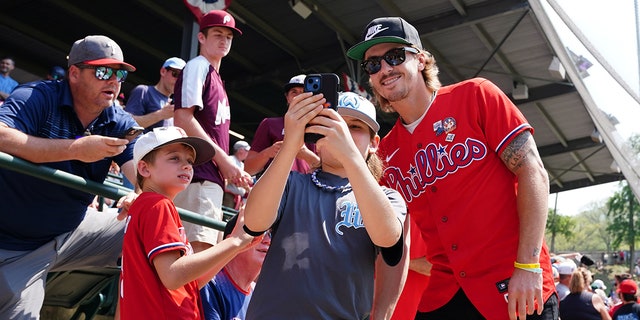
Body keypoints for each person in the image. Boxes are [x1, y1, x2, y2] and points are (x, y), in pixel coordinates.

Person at [346, 17, 556, 320]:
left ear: (420, 60)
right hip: (446, 294)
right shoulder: (387, 153)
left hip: (514, 283)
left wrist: (527, 266)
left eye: (393, 57)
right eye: (373, 64)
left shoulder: (476, 95)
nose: (384, 70)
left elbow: (533, 172)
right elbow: (395, 240)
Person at [0, 35, 139, 319]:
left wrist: (143, 191)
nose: (113, 80)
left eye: (119, 74)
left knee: (154, 228)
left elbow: (143, 168)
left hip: (69, 233)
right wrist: (76, 149)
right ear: (74, 73)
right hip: (14, 242)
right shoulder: (37, 95)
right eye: (103, 71)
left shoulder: (118, 119)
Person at [243, 91, 408, 319]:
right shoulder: (291, 183)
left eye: (355, 127)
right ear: (316, 137)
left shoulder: (388, 197)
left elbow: (388, 238)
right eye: (331, 123)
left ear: (373, 143)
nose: (341, 132)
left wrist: (349, 155)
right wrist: (291, 145)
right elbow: (254, 222)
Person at [119, 126, 259, 319]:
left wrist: (236, 246)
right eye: (174, 158)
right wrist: (234, 241)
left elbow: (189, 281)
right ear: (144, 168)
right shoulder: (157, 205)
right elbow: (173, 276)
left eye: (190, 161)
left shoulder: (149, 205)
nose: (186, 166)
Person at [173, 9, 252, 253]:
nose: (223, 40)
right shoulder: (198, 67)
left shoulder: (216, 77)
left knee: (204, 256)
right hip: (197, 175)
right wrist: (224, 161)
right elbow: (183, 118)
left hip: (210, 178)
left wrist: (230, 169)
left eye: (228, 37)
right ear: (201, 37)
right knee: (197, 255)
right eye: (217, 34)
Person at [243, 74, 320, 176]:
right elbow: (248, 169)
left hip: (308, 189)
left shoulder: (321, 128)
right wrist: (268, 152)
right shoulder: (269, 124)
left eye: (303, 92)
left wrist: (306, 155)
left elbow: (332, 174)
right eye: (294, 92)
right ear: (287, 97)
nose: (298, 96)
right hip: (274, 188)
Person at [200, 214, 270, 320]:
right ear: (230, 241)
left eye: (271, 234)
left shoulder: (260, 297)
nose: (267, 241)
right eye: (259, 233)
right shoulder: (208, 284)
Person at [125, 57, 186, 132]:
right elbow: (126, 124)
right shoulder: (144, 91)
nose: (178, 81)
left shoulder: (174, 105)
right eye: (176, 74)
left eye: (182, 78)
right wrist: (161, 114)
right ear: (163, 71)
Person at [223, 140, 251, 210]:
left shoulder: (242, 164)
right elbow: (228, 177)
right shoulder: (230, 159)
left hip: (238, 198)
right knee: (226, 216)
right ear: (240, 150)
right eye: (246, 151)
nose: (248, 153)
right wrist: (239, 181)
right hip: (228, 196)